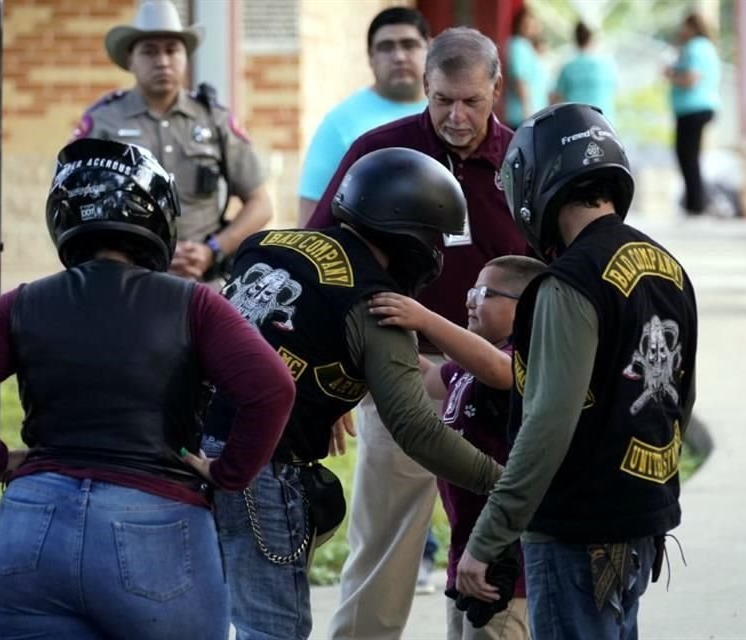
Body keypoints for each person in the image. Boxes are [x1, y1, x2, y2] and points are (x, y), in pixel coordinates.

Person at [0, 139, 296, 639]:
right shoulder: (195, 304)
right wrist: (230, 472)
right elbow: (272, 387)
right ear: (161, 218)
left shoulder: (23, 303)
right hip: (154, 528)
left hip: (29, 531)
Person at [203, 147, 505, 640]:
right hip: (261, 467)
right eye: (434, 236)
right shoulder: (377, 304)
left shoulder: (267, 244)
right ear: (412, 237)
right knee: (272, 630)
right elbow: (417, 429)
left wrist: (316, 389)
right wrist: (506, 483)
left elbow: (266, 333)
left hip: (186, 449)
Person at [306, 27, 529, 640]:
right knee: (385, 547)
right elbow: (325, 262)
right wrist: (329, 387)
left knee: (487, 545)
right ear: (424, 89)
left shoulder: (522, 166)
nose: (456, 117)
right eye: (441, 101)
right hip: (395, 370)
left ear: (496, 90)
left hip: (493, 384)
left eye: (471, 102)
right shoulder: (380, 153)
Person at [455, 104, 698, 640]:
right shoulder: (668, 268)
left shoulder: (569, 282)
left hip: (575, 530)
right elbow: (682, 399)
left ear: (538, 181)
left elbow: (546, 425)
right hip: (640, 520)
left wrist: (487, 539)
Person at [368, 254, 546, 640]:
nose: (469, 301)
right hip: (465, 547)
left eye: (484, 293)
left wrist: (426, 319)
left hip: (505, 561)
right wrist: (374, 344)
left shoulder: (523, 360)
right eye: (471, 290)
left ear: (527, 308)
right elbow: (428, 379)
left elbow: (498, 372)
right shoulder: (465, 367)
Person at [73, 0, 273, 280]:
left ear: (186, 56)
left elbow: (260, 203)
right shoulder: (103, 122)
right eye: (150, 51)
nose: (163, 61)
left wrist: (212, 250)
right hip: (126, 284)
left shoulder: (214, 119)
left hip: (202, 284)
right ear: (130, 59)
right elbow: (75, 205)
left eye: (172, 50)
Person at [297, 7, 430, 225]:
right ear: (370, 57)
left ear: (429, 48)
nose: (399, 57)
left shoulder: (451, 113)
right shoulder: (340, 123)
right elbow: (310, 218)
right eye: (386, 47)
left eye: (409, 44)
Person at [664, 11, 721, 215]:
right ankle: (694, 201)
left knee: (687, 156)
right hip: (704, 106)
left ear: (692, 27)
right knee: (691, 156)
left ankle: (695, 204)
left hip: (692, 108)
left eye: (684, 27)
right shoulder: (708, 47)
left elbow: (691, 78)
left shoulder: (695, 47)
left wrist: (672, 75)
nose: (682, 31)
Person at [552, 20, 617, 125]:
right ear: (592, 39)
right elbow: (613, 89)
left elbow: (555, 97)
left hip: (576, 124)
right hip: (604, 123)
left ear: (576, 39)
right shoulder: (607, 65)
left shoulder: (568, 67)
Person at [505, 7, 550, 130]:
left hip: (534, 114)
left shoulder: (528, 47)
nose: (530, 27)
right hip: (524, 115)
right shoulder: (518, 45)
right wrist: (527, 110)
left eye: (532, 23)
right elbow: (520, 79)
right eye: (525, 24)